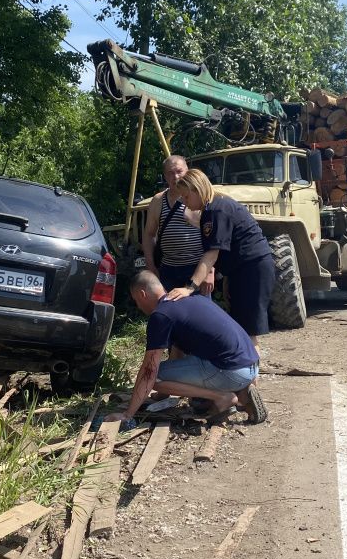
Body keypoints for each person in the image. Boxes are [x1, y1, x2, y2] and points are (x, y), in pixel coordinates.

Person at [106, 271, 268, 424]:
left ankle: (222, 397)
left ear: (142, 294)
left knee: (155, 377)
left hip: (230, 371)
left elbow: (150, 370)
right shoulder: (192, 300)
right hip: (251, 365)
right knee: (197, 402)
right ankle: (242, 392)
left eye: (136, 301)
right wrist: (161, 395)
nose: (139, 307)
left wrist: (128, 415)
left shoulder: (161, 315)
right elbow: (177, 355)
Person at [164, 168, 275, 352]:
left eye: (186, 197)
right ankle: (246, 375)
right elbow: (227, 248)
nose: (184, 202)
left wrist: (189, 287)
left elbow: (211, 254)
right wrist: (228, 278)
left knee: (248, 332)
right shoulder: (212, 207)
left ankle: (250, 377)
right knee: (240, 327)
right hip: (243, 270)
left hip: (253, 270)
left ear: (196, 190)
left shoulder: (216, 210)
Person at [142, 155, 213, 294]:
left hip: (197, 268)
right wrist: (151, 266)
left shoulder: (199, 197)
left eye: (179, 171)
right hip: (168, 270)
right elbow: (149, 234)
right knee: (171, 311)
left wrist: (210, 272)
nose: (175, 176)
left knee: (199, 312)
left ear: (187, 171)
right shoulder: (158, 201)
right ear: (165, 176)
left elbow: (212, 236)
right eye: (170, 173)